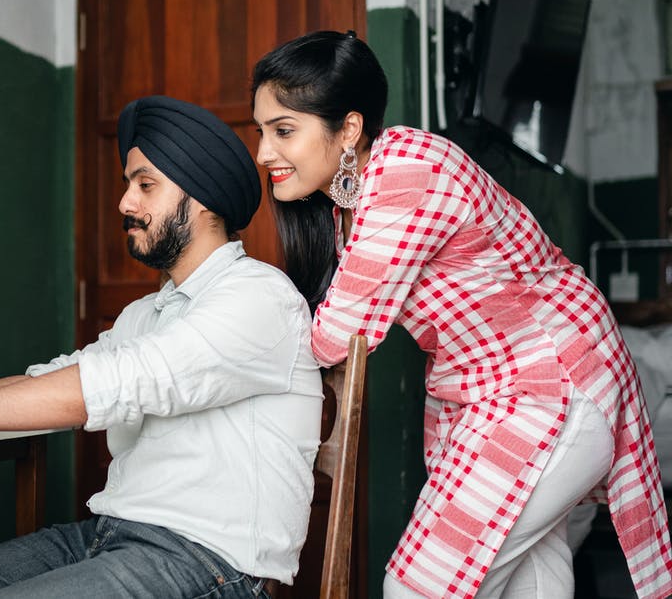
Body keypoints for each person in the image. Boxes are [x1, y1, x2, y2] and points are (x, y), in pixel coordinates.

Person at [0, 95, 323, 597]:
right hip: (107, 534)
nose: (125, 203)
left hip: (208, 563)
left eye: (146, 185)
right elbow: (53, 379)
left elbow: (104, 388)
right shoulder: (146, 313)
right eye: (128, 185)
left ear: (204, 198)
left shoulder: (259, 297)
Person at [250, 30, 672, 599]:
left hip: (548, 386)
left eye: (283, 131)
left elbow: (339, 334)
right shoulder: (351, 200)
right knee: (532, 588)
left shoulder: (405, 173)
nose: (263, 153)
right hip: (511, 394)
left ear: (347, 128)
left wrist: (232, 345)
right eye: (262, 132)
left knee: (416, 587)